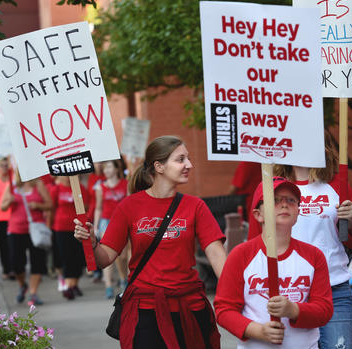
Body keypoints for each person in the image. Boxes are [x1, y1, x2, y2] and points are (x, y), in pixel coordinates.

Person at [74, 135, 227, 349]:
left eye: (188, 159)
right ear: (159, 166)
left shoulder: (196, 206)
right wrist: (92, 242)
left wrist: (239, 296)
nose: (189, 165)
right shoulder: (129, 206)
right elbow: (105, 258)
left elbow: (218, 256)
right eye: (180, 159)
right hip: (145, 312)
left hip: (190, 309)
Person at [248, 132, 352, 349]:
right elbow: (255, 243)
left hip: (334, 289)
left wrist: (350, 222)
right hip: (288, 291)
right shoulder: (270, 186)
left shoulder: (338, 183)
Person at [214, 177, 333, 348]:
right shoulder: (240, 255)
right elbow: (224, 310)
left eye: (291, 200)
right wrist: (257, 331)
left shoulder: (314, 256)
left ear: (298, 212)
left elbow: (325, 310)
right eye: (275, 200)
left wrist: (294, 310)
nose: (284, 204)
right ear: (258, 214)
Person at [1, 170, 52, 307]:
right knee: (16, 264)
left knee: (37, 262)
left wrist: (38, 206)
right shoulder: (12, 186)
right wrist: (9, 201)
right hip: (16, 230)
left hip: (35, 230)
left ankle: (33, 293)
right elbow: (2, 207)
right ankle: (23, 284)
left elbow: (50, 204)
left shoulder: (38, 184)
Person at [49, 176, 90, 300]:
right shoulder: (56, 189)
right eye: (64, 175)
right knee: (66, 257)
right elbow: (52, 208)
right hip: (61, 228)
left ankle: (74, 284)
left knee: (78, 257)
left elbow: (86, 206)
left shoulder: (79, 188)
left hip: (77, 227)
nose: (66, 178)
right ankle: (69, 286)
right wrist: (49, 226)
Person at [94, 159, 129, 299]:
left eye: (109, 167)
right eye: (104, 168)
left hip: (122, 221)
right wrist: (96, 226)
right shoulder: (100, 187)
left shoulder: (125, 184)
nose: (106, 170)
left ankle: (123, 278)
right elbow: (98, 208)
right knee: (106, 255)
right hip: (106, 222)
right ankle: (108, 285)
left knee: (123, 256)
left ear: (116, 168)